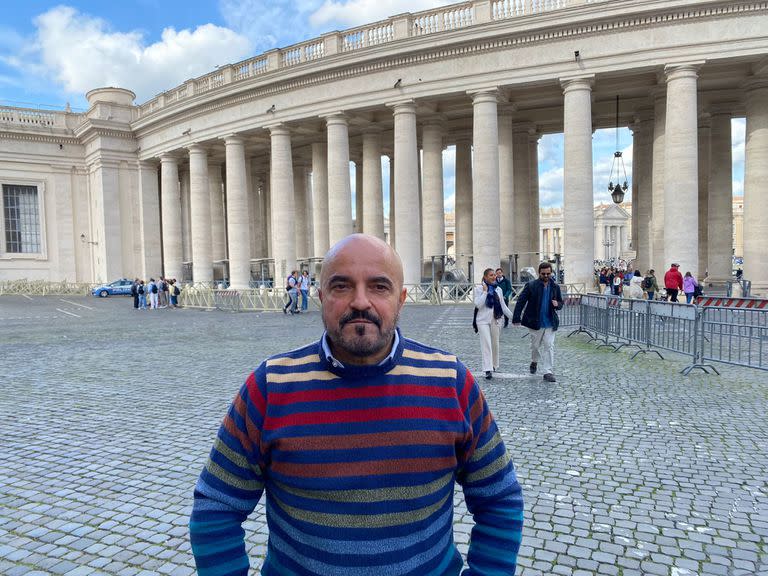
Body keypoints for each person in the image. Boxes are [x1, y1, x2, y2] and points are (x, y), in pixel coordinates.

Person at [190, 234, 524, 576]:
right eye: (341, 286)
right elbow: (216, 507)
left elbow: (499, 498)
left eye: (379, 287)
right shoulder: (271, 386)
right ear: (321, 297)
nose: (360, 302)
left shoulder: (450, 382)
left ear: (401, 299)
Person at [512, 261, 564, 383]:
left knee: (549, 345)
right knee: (535, 346)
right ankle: (534, 361)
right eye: (543, 274)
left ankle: (548, 371)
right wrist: (516, 317)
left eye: (548, 274)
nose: (546, 276)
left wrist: (558, 304)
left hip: (550, 322)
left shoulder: (555, 287)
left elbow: (561, 303)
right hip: (535, 322)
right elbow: (521, 301)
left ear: (551, 273)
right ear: (539, 273)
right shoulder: (531, 285)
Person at [474, 268, 513, 379]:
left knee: (495, 344)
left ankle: (494, 365)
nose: (493, 277)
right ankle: (488, 369)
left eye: (494, 275)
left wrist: (514, 318)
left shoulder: (498, 290)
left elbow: (503, 307)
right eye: (491, 275)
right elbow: (478, 304)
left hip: (496, 319)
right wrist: (485, 292)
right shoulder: (478, 289)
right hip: (482, 321)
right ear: (485, 277)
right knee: (486, 344)